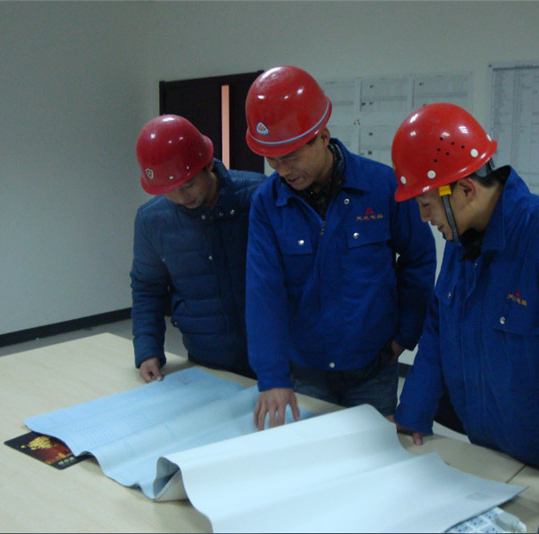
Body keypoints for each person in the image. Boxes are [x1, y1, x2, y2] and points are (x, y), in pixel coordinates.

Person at [391, 103, 539, 533]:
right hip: (489, 459)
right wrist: (414, 411)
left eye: (426, 204)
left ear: (465, 189)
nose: (424, 218)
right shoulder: (461, 243)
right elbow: (439, 327)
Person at [243, 66, 437, 430]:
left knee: (375, 456)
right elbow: (263, 291)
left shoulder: (382, 186)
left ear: (322, 137)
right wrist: (272, 377)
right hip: (306, 371)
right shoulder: (267, 204)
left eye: (290, 156)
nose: (282, 171)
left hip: (373, 368)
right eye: (272, 159)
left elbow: (419, 258)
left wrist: (404, 337)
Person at [130, 114, 265, 382]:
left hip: (276, 355)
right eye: (170, 190)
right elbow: (147, 288)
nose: (181, 197)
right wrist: (148, 351)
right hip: (207, 358)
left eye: (189, 184)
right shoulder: (152, 220)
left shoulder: (258, 195)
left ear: (208, 165)